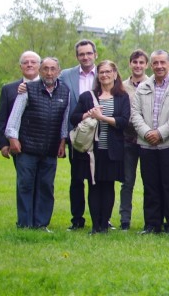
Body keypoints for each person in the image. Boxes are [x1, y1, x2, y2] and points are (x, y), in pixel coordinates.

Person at [5, 57, 68, 230]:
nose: (49, 72)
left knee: (46, 187)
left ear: (58, 71)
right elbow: (15, 116)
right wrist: (12, 138)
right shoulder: (28, 89)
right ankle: (25, 224)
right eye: (45, 68)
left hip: (50, 149)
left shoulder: (65, 91)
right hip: (27, 147)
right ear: (40, 71)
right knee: (25, 185)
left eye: (53, 69)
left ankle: (41, 224)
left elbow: (64, 120)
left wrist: (63, 141)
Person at [131, 50, 169, 234]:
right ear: (151, 65)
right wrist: (147, 133)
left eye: (163, 63)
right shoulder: (142, 87)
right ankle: (152, 224)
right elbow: (135, 114)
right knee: (150, 186)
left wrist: (160, 133)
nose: (159, 66)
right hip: (146, 145)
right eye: (155, 63)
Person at [70, 60, 130, 234]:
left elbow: (123, 122)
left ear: (115, 74)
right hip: (91, 151)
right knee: (94, 186)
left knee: (108, 186)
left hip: (112, 149)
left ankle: (105, 224)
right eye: (101, 72)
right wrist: (88, 114)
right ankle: (96, 225)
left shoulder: (122, 97)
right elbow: (73, 118)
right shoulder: (87, 96)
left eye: (108, 71)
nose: (105, 75)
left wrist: (102, 118)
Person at [59, 39, 98, 231]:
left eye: (89, 53)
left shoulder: (105, 73)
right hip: (76, 135)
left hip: (99, 135)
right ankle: (77, 219)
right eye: (82, 54)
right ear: (77, 56)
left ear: (95, 55)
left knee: (97, 179)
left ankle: (100, 218)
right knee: (76, 180)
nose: (85, 57)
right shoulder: (66, 75)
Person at [119, 49, 148, 231]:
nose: (138, 66)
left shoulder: (152, 84)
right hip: (127, 139)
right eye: (134, 62)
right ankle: (124, 219)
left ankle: (150, 220)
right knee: (127, 181)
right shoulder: (121, 87)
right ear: (130, 64)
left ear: (146, 65)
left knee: (149, 182)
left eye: (141, 63)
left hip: (147, 140)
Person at [0, 51, 40, 160]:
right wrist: (3, 144)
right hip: (18, 144)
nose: (29, 64)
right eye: (25, 62)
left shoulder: (50, 88)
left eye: (33, 62)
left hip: (44, 144)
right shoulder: (8, 89)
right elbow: (3, 118)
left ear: (39, 66)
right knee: (24, 177)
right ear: (20, 66)